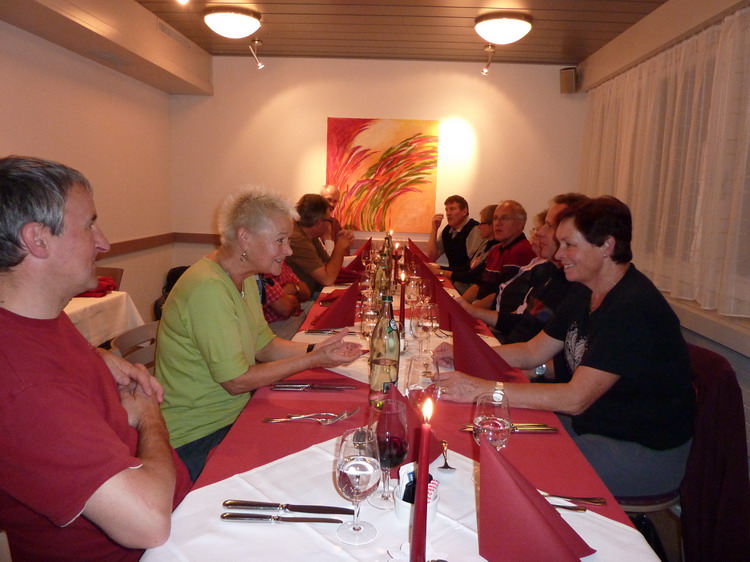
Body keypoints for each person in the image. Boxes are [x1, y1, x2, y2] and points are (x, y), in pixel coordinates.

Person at [436, 196, 694, 497]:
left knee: (504, 461)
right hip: (592, 424)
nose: (559, 254)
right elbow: (532, 351)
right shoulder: (585, 290)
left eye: (569, 245)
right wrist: (463, 354)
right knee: (487, 432)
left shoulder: (633, 306)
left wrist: (480, 390)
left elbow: (575, 399)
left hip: (640, 450)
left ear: (606, 246)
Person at [0, 156, 190, 560]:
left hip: (179, 513)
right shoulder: (25, 387)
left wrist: (100, 356)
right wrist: (149, 416)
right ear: (37, 239)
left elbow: (45, 356)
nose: (103, 242)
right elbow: (148, 523)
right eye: (89, 225)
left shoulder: (39, 315)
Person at [155, 188, 361, 481]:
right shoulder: (208, 289)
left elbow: (264, 345)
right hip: (198, 435)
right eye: (280, 240)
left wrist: (319, 349)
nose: (288, 250)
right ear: (245, 238)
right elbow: (237, 381)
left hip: (236, 415)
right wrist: (313, 360)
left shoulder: (245, 278)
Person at [462, 200, 536, 305]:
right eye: (495, 218)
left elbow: (498, 296)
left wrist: (470, 310)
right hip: (479, 308)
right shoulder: (496, 249)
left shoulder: (521, 251)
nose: (497, 223)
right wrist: (458, 305)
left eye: (504, 218)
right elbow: (479, 284)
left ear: (520, 223)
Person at [287, 193, 355, 296]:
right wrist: (340, 247)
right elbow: (328, 279)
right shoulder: (298, 240)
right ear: (318, 223)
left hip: (312, 293)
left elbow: (328, 265)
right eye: (329, 220)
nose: (330, 224)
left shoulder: (310, 235)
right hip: (300, 301)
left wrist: (340, 243)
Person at [430, 204, 498, 294]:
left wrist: (441, 272)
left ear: (492, 225)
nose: (479, 226)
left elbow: (470, 276)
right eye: (446, 210)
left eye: (482, 223)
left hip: (468, 290)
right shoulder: (485, 243)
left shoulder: (495, 248)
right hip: (460, 286)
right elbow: (467, 267)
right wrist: (439, 267)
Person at [425, 195, 483, 273]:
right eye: (446, 210)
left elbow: (473, 267)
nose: (448, 213)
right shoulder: (447, 230)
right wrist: (434, 229)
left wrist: (441, 269)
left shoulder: (474, 229)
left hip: (465, 279)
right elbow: (432, 256)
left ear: (464, 212)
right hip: (452, 276)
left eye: (452, 209)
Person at [261, 261, 312, 339]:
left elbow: (306, 293)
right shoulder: (260, 272)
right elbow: (286, 308)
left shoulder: (280, 263)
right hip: (276, 325)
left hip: (296, 315)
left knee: (323, 311)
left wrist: (294, 288)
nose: (289, 254)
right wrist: (296, 293)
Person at [319, 184, 343, 252]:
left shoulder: (335, 223)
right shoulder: (311, 221)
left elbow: (344, 251)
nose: (331, 204)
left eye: (335, 201)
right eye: (328, 200)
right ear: (320, 199)